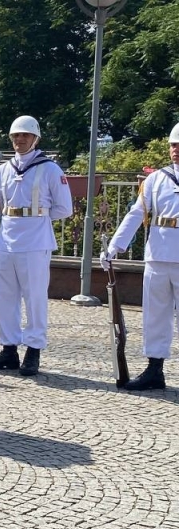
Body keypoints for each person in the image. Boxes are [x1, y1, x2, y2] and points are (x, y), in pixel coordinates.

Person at [0, 115, 73, 376]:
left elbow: (64, 208)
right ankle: (9, 348)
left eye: (25, 135)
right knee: (6, 297)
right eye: (16, 136)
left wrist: (37, 216)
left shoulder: (49, 169)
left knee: (34, 297)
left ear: (35, 139)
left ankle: (33, 350)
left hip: (35, 241)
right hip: (7, 239)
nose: (20, 140)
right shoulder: (2, 171)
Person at [101, 122, 179, 390]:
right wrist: (115, 246)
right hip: (157, 254)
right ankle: (154, 368)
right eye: (173, 145)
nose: (176, 150)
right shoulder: (156, 179)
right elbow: (136, 213)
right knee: (155, 315)